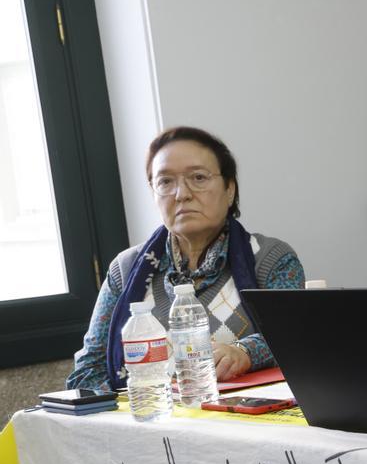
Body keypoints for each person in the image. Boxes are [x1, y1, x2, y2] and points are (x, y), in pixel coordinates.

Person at [67, 126, 304, 391]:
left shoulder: (269, 259)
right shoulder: (126, 269)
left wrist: (245, 352)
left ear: (229, 189)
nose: (182, 194)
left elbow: (297, 340)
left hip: (242, 423)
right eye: (165, 182)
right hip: (148, 420)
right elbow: (88, 370)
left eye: (199, 178)